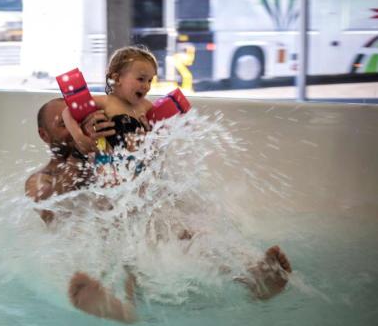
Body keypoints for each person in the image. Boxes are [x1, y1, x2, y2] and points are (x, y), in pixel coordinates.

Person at [27, 99, 293, 324]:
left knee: (188, 229)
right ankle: (122, 307)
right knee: (115, 243)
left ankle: (252, 279)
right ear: (44, 135)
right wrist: (81, 153)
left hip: (143, 230)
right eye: (64, 125)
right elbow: (49, 206)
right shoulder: (41, 177)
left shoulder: (105, 157)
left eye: (77, 119)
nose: (76, 128)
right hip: (101, 241)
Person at [62, 46, 156, 159]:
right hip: (108, 165)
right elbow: (68, 112)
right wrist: (79, 137)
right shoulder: (105, 102)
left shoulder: (146, 106)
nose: (146, 86)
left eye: (150, 80)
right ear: (117, 79)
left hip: (137, 165)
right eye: (141, 79)